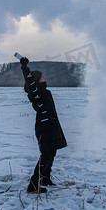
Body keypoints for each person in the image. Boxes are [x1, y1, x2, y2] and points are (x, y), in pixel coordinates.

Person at [19, 57, 67, 194]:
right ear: (36, 80)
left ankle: (45, 178)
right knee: (46, 155)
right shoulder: (37, 93)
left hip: (51, 125)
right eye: (41, 76)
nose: (44, 77)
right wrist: (24, 67)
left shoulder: (45, 92)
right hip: (45, 127)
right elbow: (30, 82)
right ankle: (33, 186)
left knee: (51, 153)